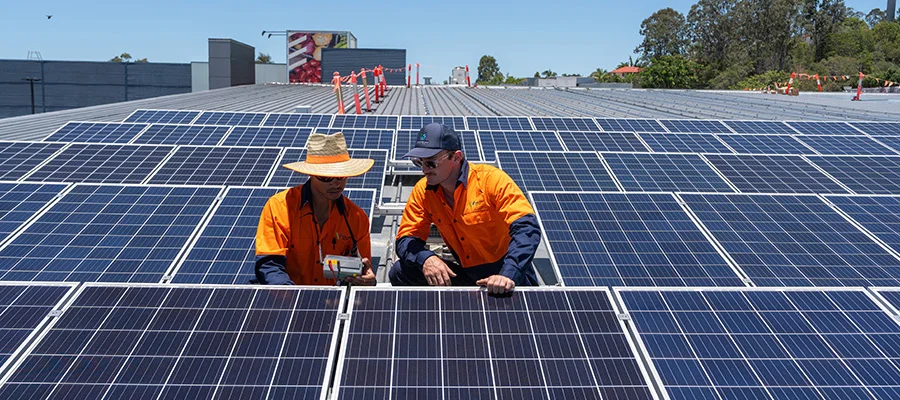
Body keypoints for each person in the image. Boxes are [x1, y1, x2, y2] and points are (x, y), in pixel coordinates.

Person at [390, 123, 541, 294]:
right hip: (467, 272)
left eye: (431, 163)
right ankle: (446, 316)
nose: (424, 170)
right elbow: (406, 239)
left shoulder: (490, 180)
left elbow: (527, 228)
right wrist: (426, 259)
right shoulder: (423, 191)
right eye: (419, 162)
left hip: (506, 267)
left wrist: (508, 273)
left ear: (456, 157)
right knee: (400, 271)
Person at [255, 132, 376, 286]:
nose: (335, 184)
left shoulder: (356, 217)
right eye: (326, 178)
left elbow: (362, 269)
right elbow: (269, 265)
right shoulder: (279, 207)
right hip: (286, 298)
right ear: (311, 174)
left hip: (330, 300)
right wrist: (294, 295)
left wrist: (367, 281)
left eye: (341, 176)